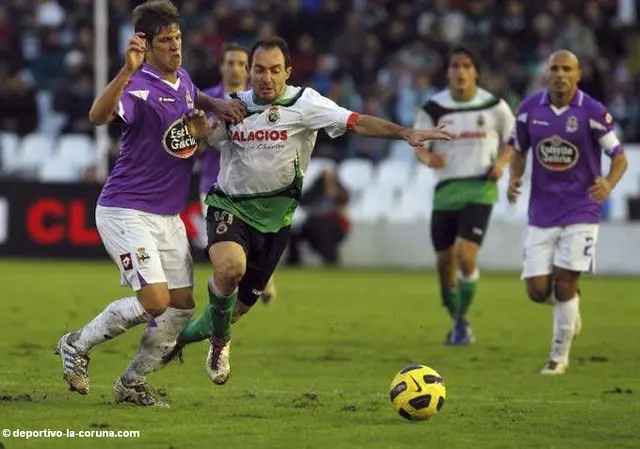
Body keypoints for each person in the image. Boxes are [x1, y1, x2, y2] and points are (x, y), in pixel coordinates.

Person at [170, 36, 451, 386]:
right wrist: (196, 135)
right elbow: (198, 145)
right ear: (249, 71)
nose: (266, 78)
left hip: (275, 223)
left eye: (274, 70)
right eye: (259, 69)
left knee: (229, 312)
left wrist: (404, 132)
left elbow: (357, 121)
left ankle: (179, 339)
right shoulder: (233, 107)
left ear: (288, 72)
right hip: (229, 206)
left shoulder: (306, 104)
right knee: (229, 269)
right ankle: (220, 345)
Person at [54, 0, 245, 407]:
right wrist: (127, 69)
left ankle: (132, 383)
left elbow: (193, 96)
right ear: (146, 44)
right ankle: (76, 344)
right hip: (125, 208)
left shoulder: (184, 80)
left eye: (177, 38)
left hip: (168, 215)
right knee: (155, 301)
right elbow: (96, 115)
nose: (175, 47)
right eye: (165, 41)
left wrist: (217, 106)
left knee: (179, 307)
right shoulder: (137, 86)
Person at [507, 50, 628, 375]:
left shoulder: (592, 111)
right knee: (536, 291)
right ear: (547, 73)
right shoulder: (529, 109)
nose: (560, 74)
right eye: (554, 68)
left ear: (578, 74)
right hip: (541, 212)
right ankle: (570, 308)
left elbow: (619, 157)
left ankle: (558, 358)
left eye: (567, 69)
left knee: (563, 284)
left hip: (581, 209)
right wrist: (513, 178)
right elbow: (518, 150)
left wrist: (608, 184)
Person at [413, 45, 516, 345]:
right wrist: (428, 158)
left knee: (464, 253)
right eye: (455, 65)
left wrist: (500, 163)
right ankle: (456, 317)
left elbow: (512, 141)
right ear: (447, 72)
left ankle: (462, 319)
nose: (460, 71)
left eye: (466, 66)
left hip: (480, 189)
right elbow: (418, 142)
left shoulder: (494, 106)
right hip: (446, 192)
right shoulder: (433, 107)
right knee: (445, 262)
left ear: (476, 72)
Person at [199, 42, 277, 305]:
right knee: (225, 254)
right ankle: (228, 300)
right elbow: (195, 145)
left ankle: (259, 278)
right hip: (213, 186)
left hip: (250, 185)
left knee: (254, 246)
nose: (234, 68)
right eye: (229, 62)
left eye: (240, 63)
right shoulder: (207, 99)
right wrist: (205, 132)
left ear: (248, 69)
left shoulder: (259, 101)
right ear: (222, 66)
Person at [286, 168, 351, 266]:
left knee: (325, 232)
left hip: (332, 223)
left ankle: (331, 260)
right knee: (294, 233)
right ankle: (293, 260)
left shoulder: (339, 191)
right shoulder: (316, 190)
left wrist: (335, 193)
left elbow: (344, 202)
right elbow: (303, 201)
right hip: (313, 223)